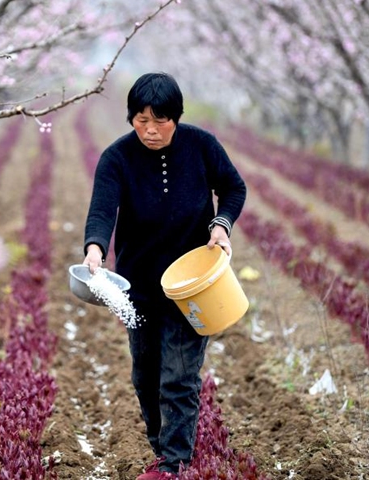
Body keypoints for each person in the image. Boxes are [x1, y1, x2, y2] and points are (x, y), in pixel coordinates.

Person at [82, 72, 246, 479]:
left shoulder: (202, 146)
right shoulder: (117, 158)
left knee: (179, 377)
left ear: (177, 117)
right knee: (145, 375)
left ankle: (174, 465)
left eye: (160, 121)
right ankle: (163, 449)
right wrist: (95, 248)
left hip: (192, 284)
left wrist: (221, 224)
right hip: (137, 287)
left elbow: (233, 187)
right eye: (140, 121)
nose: (150, 130)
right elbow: (102, 209)